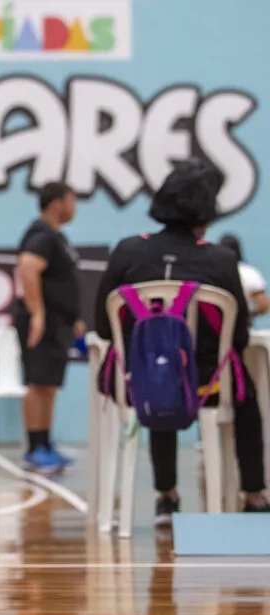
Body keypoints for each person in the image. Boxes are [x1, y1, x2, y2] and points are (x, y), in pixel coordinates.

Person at [94, 158, 270, 525]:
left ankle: (167, 496)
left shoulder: (126, 252)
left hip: (134, 386)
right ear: (207, 215)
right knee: (245, 395)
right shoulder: (221, 261)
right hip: (207, 386)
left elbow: (104, 327)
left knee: (159, 370)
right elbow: (236, 339)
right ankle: (254, 496)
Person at [12, 182, 84, 473]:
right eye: (72, 200)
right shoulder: (40, 234)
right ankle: (34, 447)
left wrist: (74, 318)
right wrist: (38, 314)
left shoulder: (57, 237)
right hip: (41, 323)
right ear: (57, 203)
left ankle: (45, 442)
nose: (74, 208)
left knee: (49, 384)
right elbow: (28, 268)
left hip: (59, 323)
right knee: (37, 382)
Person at [218, 234, 269, 319]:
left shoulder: (215, 272)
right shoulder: (250, 273)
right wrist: (248, 316)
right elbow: (264, 305)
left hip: (217, 323)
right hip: (244, 322)